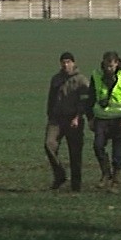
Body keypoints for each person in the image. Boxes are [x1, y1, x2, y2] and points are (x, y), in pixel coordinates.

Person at [86, 51, 121, 190]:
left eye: (111, 66)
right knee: (98, 146)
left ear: (116, 63)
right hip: (101, 119)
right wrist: (90, 118)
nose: (109, 68)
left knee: (117, 152)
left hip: (119, 120)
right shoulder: (96, 75)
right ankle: (105, 173)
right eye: (107, 65)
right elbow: (90, 97)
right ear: (103, 62)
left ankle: (116, 177)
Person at [44, 52, 90, 191]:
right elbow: (51, 98)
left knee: (75, 154)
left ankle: (76, 186)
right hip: (57, 119)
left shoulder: (81, 80)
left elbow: (85, 102)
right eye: (63, 62)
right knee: (49, 144)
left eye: (68, 62)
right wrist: (50, 114)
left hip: (73, 120)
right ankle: (60, 174)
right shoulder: (56, 79)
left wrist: (78, 117)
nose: (66, 65)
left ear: (74, 63)